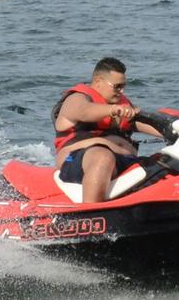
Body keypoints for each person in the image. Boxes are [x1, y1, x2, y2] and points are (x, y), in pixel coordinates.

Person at [53, 57, 164, 201]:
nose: (121, 91)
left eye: (123, 86)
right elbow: (84, 111)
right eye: (117, 86)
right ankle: (91, 215)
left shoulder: (121, 105)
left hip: (124, 160)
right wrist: (113, 110)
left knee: (166, 161)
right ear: (98, 82)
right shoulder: (77, 99)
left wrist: (175, 129)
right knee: (103, 158)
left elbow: (147, 125)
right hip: (80, 160)